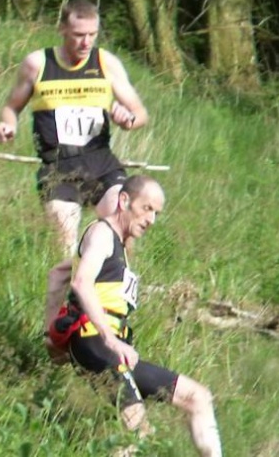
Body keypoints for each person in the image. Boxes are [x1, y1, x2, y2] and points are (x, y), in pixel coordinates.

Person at [0, 0, 148, 361]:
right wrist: (6, 126)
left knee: (122, 226)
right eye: (78, 34)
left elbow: (140, 112)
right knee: (67, 248)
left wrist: (128, 119)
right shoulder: (38, 64)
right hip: (58, 167)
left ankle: (113, 312)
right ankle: (56, 334)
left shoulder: (106, 63)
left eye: (92, 34)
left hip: (101, 163)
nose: (85, 42)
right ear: (62, 28)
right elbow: (11, 106)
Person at [48, 176, 222, 457]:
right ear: (124, 201)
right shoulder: (102, 234)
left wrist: (50, 335)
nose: (151, 219)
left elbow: (57, 275)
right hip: (95, 342)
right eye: (147, 208)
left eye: (157, 213)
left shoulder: (119, 246)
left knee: (198, 398)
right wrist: (109, 340)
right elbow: (81, 282)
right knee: (139, 433)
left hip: (111, 348)